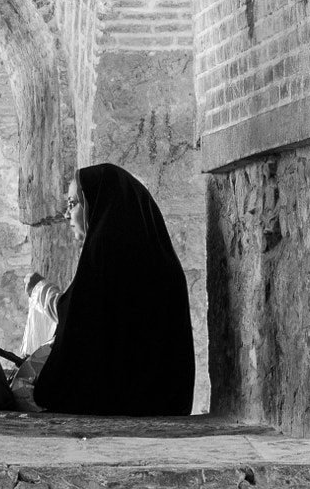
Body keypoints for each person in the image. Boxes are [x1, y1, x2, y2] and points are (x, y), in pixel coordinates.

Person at [30, 162, 195, 416]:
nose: (66, 215)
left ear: (96, 205)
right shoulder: (157, 255)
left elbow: (77, 322)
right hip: (165, 403)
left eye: (73, 204)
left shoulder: (105, 256)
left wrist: (41, 291)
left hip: (118, 405)